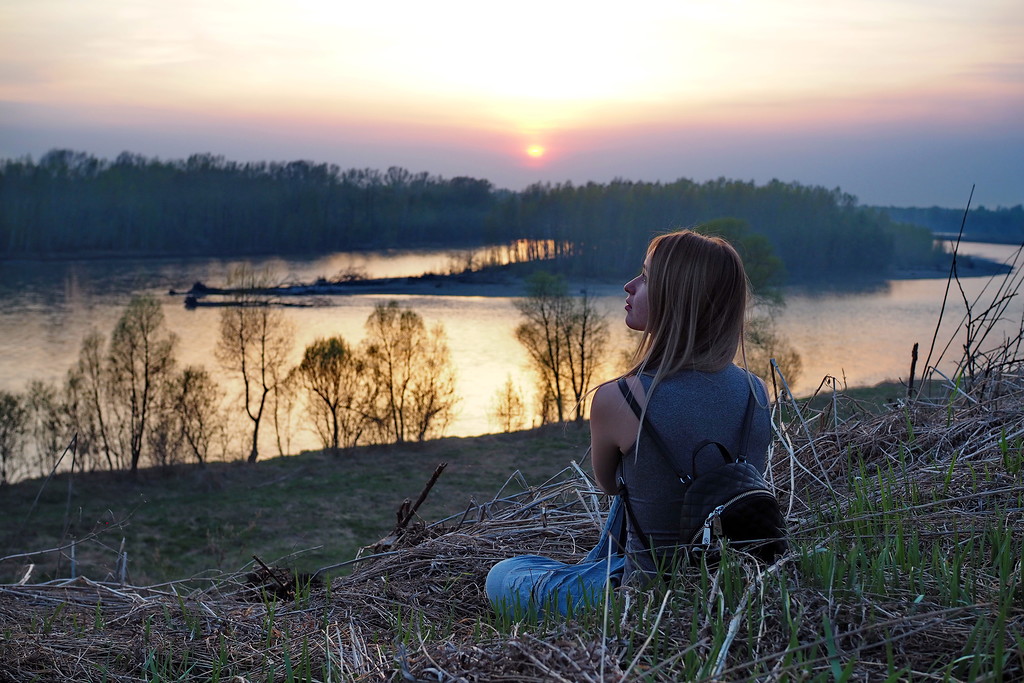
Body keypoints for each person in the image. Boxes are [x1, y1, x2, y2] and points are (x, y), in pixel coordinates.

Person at [485, 229, 772, 618]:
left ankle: (593, 577)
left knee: (504, 575)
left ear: (676, 298)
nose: (630, 286)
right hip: (727, 582)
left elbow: (610, 486)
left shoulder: (621, 398)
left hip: (641, 599)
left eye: (646, 278)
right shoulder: (756, 392)